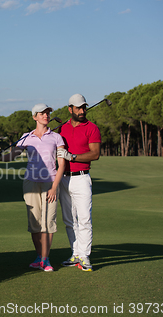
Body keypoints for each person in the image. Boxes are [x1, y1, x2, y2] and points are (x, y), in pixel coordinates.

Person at [2, 103, 65, 272]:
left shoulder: (56, 137)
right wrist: (0, 155)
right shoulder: (26, 137)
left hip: (50, 182)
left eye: (48, 113)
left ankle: (46, 259)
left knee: (48, 222)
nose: (46, 115)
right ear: (35, 117)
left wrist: (54, 187)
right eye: (42, 113)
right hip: (30, 182)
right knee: (35, 222)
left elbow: (62, 164)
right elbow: (12, 156)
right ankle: (39, 257)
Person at [56, 94, 101, 272]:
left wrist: (72, 156)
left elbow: (95, 153)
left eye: (84, 107)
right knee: (69, 220)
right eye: (78, 108)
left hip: (82, 177)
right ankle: (75, 253)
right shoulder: (61, 128)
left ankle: (85, 256)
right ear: (70, 109)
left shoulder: (92, 128)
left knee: (84, 219)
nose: (82, 111)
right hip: (64, 179)